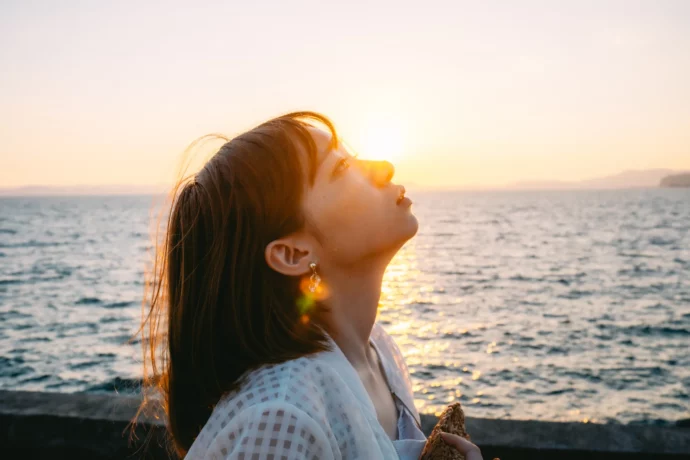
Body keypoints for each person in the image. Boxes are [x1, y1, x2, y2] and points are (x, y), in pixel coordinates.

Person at [134, 111, 484, 459]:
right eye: (342, 170)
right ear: (293, 253)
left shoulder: (380, 352)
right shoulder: (280, 419)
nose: (384, 167)